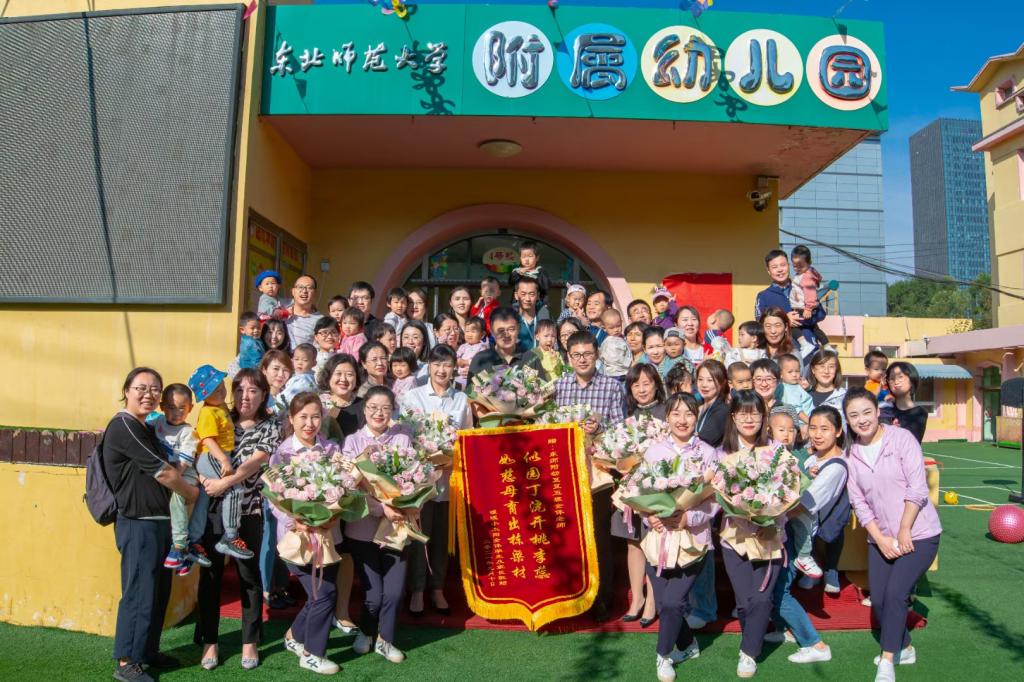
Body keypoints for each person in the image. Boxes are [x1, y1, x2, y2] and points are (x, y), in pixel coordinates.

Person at [105, 367, 199, 682]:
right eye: (141, 388)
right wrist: (190, 494)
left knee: (158, 591)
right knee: (139, 592)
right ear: (126, 391)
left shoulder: (147, 427)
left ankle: (147, 651)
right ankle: (127, 661)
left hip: (159, 522)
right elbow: (164, 472)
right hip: (138, 522)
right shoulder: (124, 425)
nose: (148, 394)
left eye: (154, 389)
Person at [843, 388, 941, 682]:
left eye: (866, 412)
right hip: (881, 537)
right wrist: (880, 538)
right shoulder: (851, 454)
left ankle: (887, 662)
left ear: (877, 411)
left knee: (897, 594)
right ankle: (905, 647)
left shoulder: (902, 439)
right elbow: (859, 502)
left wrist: (904, 529)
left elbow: (917, 488)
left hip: (919, 533)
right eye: (853, 415)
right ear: (847, 420)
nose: (862, 420)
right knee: (880, 602)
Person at [194, 369, 282, 671]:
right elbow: (200, 449)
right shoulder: (219, 415)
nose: (245, 396)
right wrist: (208, 483)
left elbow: (257, 461)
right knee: (210, 576)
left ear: (264, 394)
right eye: (240, 390)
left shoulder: (271, 424)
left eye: (253, 390)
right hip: (213, 509)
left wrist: (225, 483)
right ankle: (209, 640)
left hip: (248, 511)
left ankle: (249, 640)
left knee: (249, 576)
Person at [643, 392, 720, 682]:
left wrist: (689, 517)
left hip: (693, 543)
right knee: (665, 603)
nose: (682, 420)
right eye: (676, 413)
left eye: (689, 413)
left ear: (697, 417)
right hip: (658, 541)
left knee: (674, 602)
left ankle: (663, 655)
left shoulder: (708, 454)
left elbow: (714, 501)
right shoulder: (653, 452)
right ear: (667, 417)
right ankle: (688, 645)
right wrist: (649, 517)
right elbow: (639, 493)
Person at [766, 406, 846, 666]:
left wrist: (765, 515)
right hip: (788, 526)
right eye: (813, 428)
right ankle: (785, 629)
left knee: (780, 590)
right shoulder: (811, 458)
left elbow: (806, 503)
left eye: (825, 429)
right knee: (778, 584)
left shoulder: (835, 467)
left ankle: (815, 644)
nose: (817, 434)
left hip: (796, 530)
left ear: (838, 431)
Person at [556, 330, 627, 622]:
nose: (582, 359)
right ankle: (570, 597)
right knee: (568, 536)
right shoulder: (560, 385)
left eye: (587, 354)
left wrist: (599, 430)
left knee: (598, 536)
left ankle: (601, 599)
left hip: (598, 474)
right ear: (569, 357)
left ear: (597, 354)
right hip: (565, 472)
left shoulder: (612, 387)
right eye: (577, 355)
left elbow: (621, 430)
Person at [272, 393, 345, 675]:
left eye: (315, 417)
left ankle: (295, 636)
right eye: (302, 417)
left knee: (320, 594)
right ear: (291, 419)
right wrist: (294, 520)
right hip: (297, 538)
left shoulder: (331, 450)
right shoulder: (282, 453)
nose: (309, 423)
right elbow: (274, 498)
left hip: (327, 536)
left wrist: (334, 513)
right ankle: (313, 654)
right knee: (325, 593)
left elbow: (345, 488)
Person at [342, 387, 415, 664]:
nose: (379, 413)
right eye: (373, 407)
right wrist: (381, 507)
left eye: (385, 408)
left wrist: (407, 505)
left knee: (394, 592)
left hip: (396, 527)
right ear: (364, 409)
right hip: (362, 529)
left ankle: (386, 640)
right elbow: (348, 488)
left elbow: (414, 479)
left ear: (393, 410)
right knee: (374, 594)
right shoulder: (352, 442)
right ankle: (366, 631)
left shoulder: (402, 438)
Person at [399, 345, 473, 617]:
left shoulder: (461, 399)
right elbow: (404, 436)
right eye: (437, 364)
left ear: (454, 368)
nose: (442, 370)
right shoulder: (413, 397)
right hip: (419, 480)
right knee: (420, 535)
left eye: (447, 365)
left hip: (449, 480)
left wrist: (451, 453)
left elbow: (467, 436)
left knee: (442, 537)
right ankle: (417, 589)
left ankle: (437, 587)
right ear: (428, 366)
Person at [718, 390, 781, 678]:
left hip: (770, 536)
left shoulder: (777, 451)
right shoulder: (723, 453)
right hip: (735, 538)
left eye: (755, 413)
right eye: (743, 413)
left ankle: (748, 652)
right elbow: (714, 497)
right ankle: (752, 639)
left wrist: (772, 518)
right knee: (744, 601)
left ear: (763, 417)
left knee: (763, 598)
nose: (749, 419)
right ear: (733, 417)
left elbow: (789, 492)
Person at [615, 363, 667, 628]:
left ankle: (652, 601)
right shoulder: (626, 413)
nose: (642, 389)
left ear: (656, 384)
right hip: (629, 487)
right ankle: (637, 598)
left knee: (652, 543)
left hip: (656, 489)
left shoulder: (667, 412)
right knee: (632, 542)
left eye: (647, 383)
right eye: (636, 385)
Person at [315, 353, 363, 632]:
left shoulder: (364, 407)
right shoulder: (318, 406)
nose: (344, 379)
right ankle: (320, 607)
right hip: (320, 488)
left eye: (350, 374)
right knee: (323, 546)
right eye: (339, 374)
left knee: (346, 551)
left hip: (353, 488)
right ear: (328, 377)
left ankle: (342, 611)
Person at [188, 365, 254, 560]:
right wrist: (224, 459)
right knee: (234, 489)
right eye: (214, 391)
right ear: (205, 395)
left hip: (214, 456)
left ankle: (193, 539)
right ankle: (230, 537)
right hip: (212, 456)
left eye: (222, 387)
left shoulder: (220, 407)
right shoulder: (208, 412)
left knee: (203, 500)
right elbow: (208, 439)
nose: (221, 392)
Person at [150, 385, 207, 576]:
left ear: (190, 408)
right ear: (162, 407)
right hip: (167, 471)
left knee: (177, 497)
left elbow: (182, 465)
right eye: (171, 407)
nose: (176, 413)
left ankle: (180, 545)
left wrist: (173, 480)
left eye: (182, 408)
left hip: (185, 473)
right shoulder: (157, 421)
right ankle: (186, 554)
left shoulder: (188, 432)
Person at [754, 249, 824, 355]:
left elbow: (821, 314)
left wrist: (804, 317)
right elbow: (760, 324)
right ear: (768, 271)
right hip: (781, 353)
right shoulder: (763, 296)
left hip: (810, 349)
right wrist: (785, 320)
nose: (779, 270)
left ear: (788, 266)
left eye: (783, 265)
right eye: (774, 267)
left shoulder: (803, 287)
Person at [467, 307, 546, 386]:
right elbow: (472, 392)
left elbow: (541, 390)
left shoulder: (530, 358)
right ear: (491, 331)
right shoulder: (481, 360)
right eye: (501, 330)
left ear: (519, 328)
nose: (506, 335)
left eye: (511, 329)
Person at [790, 245, 829, 347]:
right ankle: (827, 345)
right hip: (805, 308)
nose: (797, 268)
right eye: (794, 266)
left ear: (809, 262)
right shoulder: (809, 273)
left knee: (792, 325)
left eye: (800, 266)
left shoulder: (806, 277)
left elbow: (810, 293)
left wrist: (808, 308)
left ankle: (804, 345)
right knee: (814, 328)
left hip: (803, 309)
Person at [886, 362, 928, 443]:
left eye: (900, 377)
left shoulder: (919, 412)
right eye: (892, 379)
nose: (896, 382)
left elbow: (911, 441)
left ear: (911, 380)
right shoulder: (886, 409)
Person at [695, 359, 729, 448]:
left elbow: (704, 441)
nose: (704, 385)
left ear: (722, 382)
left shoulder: (722, 411)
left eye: (710, 380)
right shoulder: (698, 407)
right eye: (700, 379)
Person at [285, 274, 324, 348]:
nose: (304, 291)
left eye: (309, 288)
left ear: (315, 293)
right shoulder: (280, 313)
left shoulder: (321, 321)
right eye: (300, 287)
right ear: (293, 291)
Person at [507, 240, 551, 305]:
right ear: (520, 258)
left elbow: (546, 287)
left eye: (530, 256)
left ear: (537, 258)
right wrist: (518, 274)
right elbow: (510, 283)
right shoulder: (517, 271)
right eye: (523, 257)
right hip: (518, 304)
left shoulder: (541, 272)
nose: (526, 259)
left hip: (537, 304)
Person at [807, 349, 847, 415]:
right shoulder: (804, 396)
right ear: (813, 369)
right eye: (822, 366)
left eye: (831, 367)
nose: (826, 371)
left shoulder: (845, 396)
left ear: (836, 370)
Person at [778, 353, 814, 427]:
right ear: (780, 374)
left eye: (797, 371)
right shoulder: (789, 389)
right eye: (790, 372)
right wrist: (811, 423)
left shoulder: (793, 385)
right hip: (803, 423)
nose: (794, 375)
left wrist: (808, 388)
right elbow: (796, 410)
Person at [514, 277, 549, 351]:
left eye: (531, 294)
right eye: (523, 294)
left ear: (538, 296)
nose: (527, 299)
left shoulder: (545, 317)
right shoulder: (510, 320)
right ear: (516, 295)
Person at [227, 311, 265, 377]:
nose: (256, 330)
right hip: (252, 373)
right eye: (252, 328)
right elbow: (257, 361)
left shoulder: (249, 340)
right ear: (242, 330)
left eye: (258, 328)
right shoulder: (250, 343)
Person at [599, 308, 630, 381]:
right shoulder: (610, 342)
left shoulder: (621, 338)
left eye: (618, 326)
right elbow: (616, 359)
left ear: (621, 322)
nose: (616, 330)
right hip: (616, 374)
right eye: (611, 328)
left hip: (623, 372)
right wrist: (630, 363)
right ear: (604, 328)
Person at [260, 350, 293, 419]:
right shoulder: (258, 397)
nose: (281, 374)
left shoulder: (290, 394)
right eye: (276, 369)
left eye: (285, 370)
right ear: (264, 370)